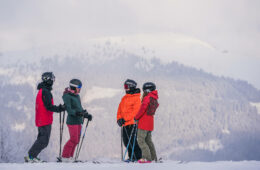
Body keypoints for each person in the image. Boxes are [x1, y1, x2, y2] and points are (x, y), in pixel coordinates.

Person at [25, 72, 66, 163]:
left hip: (42, 119)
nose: (53, 81)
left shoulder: (43, 90)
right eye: (52, 79)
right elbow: (49, 106)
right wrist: (60, 108)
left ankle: (32, 156)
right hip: (44, 120)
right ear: (47, 80)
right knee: (43, 141)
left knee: (42, 140)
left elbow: (46, 106)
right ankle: (31, 157)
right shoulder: (45, 92)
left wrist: (59, 108)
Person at [61, 79, 92, 162]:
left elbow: (80, 108)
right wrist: (78, 113)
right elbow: (69, 110)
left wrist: (85, 114)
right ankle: (65, 156)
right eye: (78, 87)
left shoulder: (77, 96)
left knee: (76, 140)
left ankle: (70, 157)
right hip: (72, 121)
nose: (80, 89)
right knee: (73, 139)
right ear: (73, 87)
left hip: (79, 121)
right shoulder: (67, 96)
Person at [117, 79, 142, 162]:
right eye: (124, 87)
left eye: (126, 87)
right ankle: (131, 156)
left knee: (132, 141)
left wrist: (124, 119)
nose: (125, 89)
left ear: (131, 87)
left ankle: (137, 157)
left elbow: (135, 112)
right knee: (126, 141)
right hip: (124, 123)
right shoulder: (124, 98)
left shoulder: (136, 98)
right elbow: (119, 109)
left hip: (132, 123)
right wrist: (119, 119)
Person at [134, 82, 159, 163]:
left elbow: (142, 109)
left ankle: (146, 158)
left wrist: (136, 117)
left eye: (144, 90)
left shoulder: (147, 98)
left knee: (141, 140)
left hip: (143, 123)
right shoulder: (154, 98)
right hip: (150, 124)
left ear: (147, 90)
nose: (143, 91)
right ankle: (153, 157)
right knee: (148, 141)